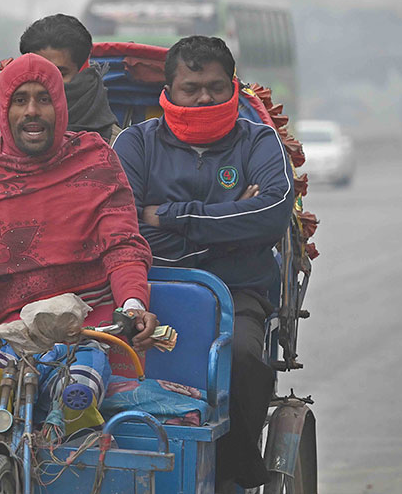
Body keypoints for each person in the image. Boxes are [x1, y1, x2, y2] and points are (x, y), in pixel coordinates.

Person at [0, 53, 157, 439]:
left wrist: (133, 305)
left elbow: (122, 244)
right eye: (20, 100)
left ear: (60, 105)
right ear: (4, 107)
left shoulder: (94, 160)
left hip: (84, 326)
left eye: (43, 99)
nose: (32, 111)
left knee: (78, 391)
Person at [112, 36, 296, 491]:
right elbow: (124, 228)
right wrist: (230, 225)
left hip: (236, 295)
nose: (205, 98)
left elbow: (271, 214)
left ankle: (236, 469)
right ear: (169, 90)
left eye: (215, 86)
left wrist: (171, 216)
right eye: (191, 87)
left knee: (243, 359)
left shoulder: (259, 141)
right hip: (145, 289)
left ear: (233, 86)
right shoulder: (135, 144)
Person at [19, 14, 122, 143]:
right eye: (37, 75)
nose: (46, 85)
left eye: (60, 75)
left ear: (83, 75)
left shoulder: (117, 147)